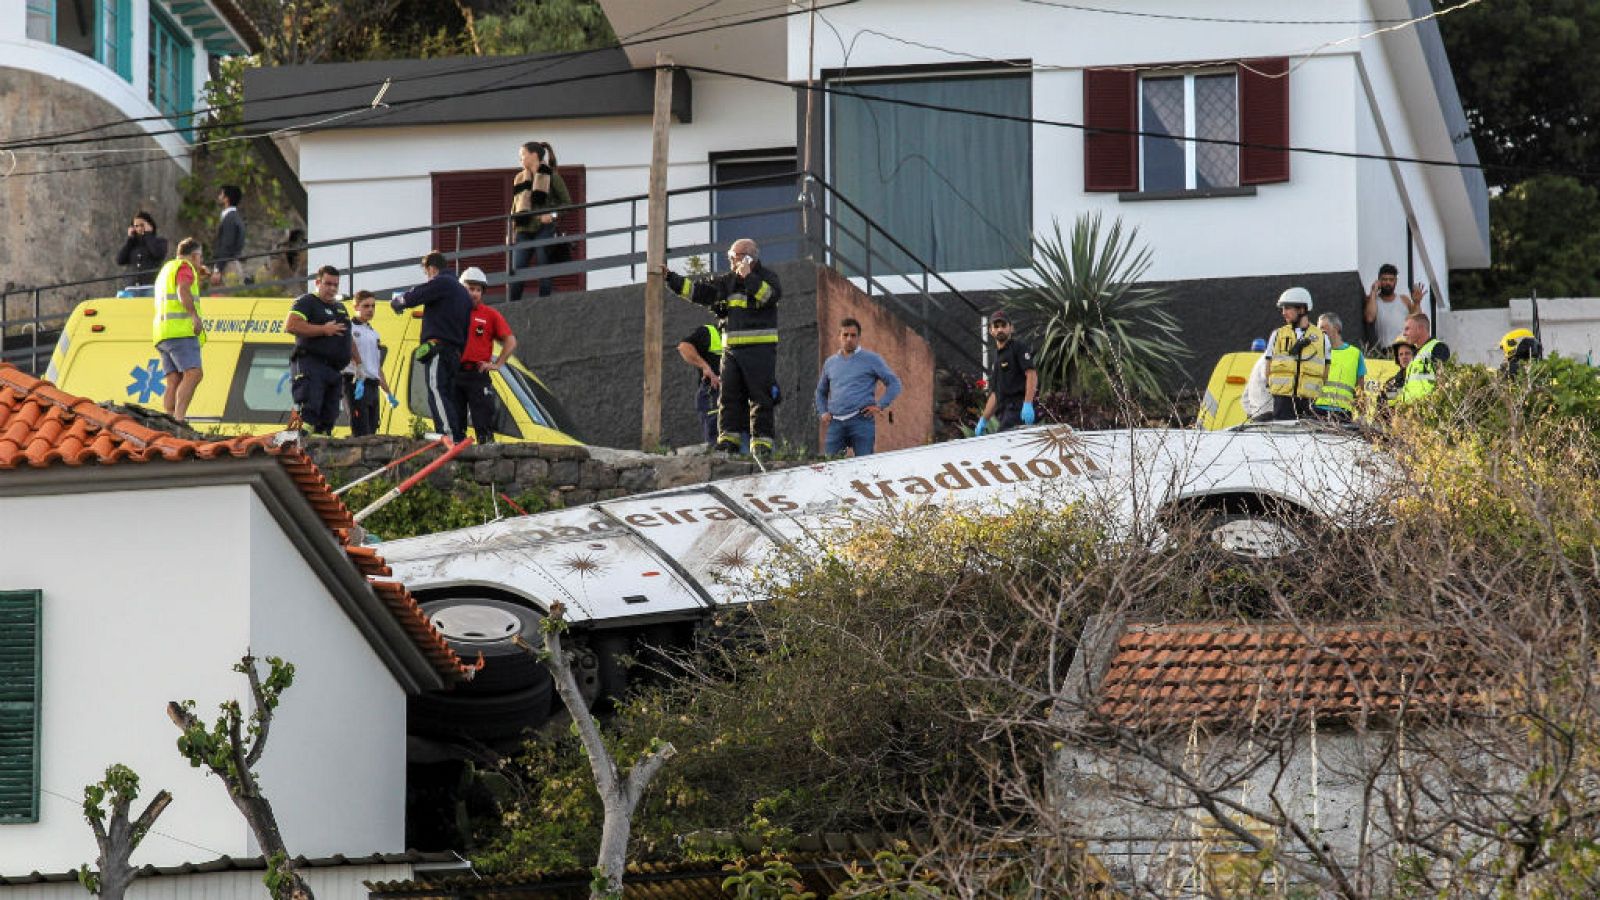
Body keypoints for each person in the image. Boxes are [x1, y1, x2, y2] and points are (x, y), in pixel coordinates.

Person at [663, 238, 782, 459]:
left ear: (748, 258)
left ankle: (762, 444)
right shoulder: (726, 282)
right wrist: (671, 278)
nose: (730, 260)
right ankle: (728, 440)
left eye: (734, 256)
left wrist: (748, 276)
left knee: (760, 397)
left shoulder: (767, 277)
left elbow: (769, 297)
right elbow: (699, 292)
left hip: (759, 350)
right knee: (728, 397)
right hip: (732, 352)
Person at [391, 251, 473, 442]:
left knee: (437, 389)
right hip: (455, 352)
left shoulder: (441, 282)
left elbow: (414, 296)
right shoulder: (462, 292)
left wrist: (397, 302)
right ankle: (457, 432)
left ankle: (448, 433)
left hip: (439, 348)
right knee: (448, 394)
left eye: (426, 272)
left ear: (431, 268)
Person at [815, 318, 902, 457]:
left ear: (859, 337)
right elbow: (821, 391)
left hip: (861, 421)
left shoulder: (872, 359)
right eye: (845, 335)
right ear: (839, 336)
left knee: (865, 466)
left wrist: (880, 406)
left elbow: (894, 383)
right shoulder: (830, 363)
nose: (849, 339)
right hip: (835, 423)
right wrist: (823, 412)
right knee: (831, 467)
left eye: (853, 335)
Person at [284, 265, 352, 435]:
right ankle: (301, 447)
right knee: (309, 412)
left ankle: (322, 454)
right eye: (328, 284)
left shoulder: (340, 308)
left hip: (334, 370)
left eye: (335, 285)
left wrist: (357, 362)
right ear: (317, 282)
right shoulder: (307, 301)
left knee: (329, 417)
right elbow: (291, 325)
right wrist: (323, 329)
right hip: (312, 364)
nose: (332, 289)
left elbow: (348, 337)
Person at [454, 267, 519, 444]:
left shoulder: (490, 315)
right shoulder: (452, 312)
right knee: (455, 429)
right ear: (462, 289)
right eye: (470, 288)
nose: (474, 293)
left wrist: (497, 364)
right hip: (454, 374)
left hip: (478, 374)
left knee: (483, 426)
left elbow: (511, 341)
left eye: (478, 289)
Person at [151, 238, 207, 422]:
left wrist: (198, 273)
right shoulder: (185, 267)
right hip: (180, 331)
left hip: (163, 333)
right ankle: (179, 419)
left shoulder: (167, 269)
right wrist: (194, 316)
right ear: (194, 255)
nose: (200, 262)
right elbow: (183, 290)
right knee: (194, 373)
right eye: (200, 258)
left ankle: (168, 419)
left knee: (174, 379)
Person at [508, 141, 571, 302]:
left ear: (534, 155)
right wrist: (511, 230)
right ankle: (512, 306)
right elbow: (514, 207)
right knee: (517, 269)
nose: (520, 159)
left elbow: (567, 203)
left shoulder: (552, 176)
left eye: (523, 155)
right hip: (523, 229)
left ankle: (545, 303)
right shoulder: (519, 178)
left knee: (544, 268)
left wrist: (553, 215)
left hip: (544, 228)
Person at [1265, 287, 1328, 421]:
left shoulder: (1322, 338)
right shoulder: (1277, 335)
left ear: (1301, 309)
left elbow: (1325, 372)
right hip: (1283, 402)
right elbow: (1268, 367)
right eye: (1282, 309)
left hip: (1309, 402)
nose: (1283, 313)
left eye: (1287, 308)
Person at [343, 290, 396, 437]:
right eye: (366, 306)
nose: (371, 310)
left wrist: (388, 393)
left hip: (372, 387)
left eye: (373, 306)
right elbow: (345, 352)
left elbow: (376, 367)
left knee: (372, 431)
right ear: (356, 307)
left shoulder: (374, 333)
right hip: (355, 383)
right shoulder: (349, 328)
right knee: (361, 431)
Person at [975, 309, 1037, 435]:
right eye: (996, 326)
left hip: (1018, 409)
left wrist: (1028, 403)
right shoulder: (997, 358)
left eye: (1003, 326)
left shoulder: (1018, 348)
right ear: (990, 331)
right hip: (1004, 412)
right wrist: (984, 420)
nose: (1000, 329)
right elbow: (995, 393)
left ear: (1011, 328)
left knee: (1002, 444)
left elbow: (1031, 374)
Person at [676, 318, 725, 445]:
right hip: (713, 393)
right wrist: (705, 367)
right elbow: (684, 347)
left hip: (736, 397)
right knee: (718, 442)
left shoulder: (742, 337)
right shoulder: (710, 332)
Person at [1313, 312, 1366, 422]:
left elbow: (1360, 389)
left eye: (1323, 327)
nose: (1320, 332)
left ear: (1336, 328)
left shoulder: (1355, 354)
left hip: (1343, 413)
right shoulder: (1315, 352)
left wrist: (1361, 415)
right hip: (1317, 410)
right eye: (1319, 329)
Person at [1393, 313, 1450, 406]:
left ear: (1420, 329)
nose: (1404, 333)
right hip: (1411, 412)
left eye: (1407, 329)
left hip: (1426, 411)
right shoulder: (1416, 355)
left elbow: (1442, 381)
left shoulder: (1437, 347)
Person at [1364, 263, 1425, 347]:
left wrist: (1417, 303)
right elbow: (1369, 318)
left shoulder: (1404, 300)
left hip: (1406, 347)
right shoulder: (1373, 300)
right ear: (1379, 281)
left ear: (1396, 281)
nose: (1388, 283)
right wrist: (1373, 291)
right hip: (1386, 351)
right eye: (1384, 279)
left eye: (1391, 279)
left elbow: (1417, 321)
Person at [115, 211, 168, 287]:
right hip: (132, 286)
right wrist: (130, 239)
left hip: (151, 286)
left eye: (142, 225)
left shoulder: (160, 242)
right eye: (136, 226)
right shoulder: (132, 245)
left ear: (150, 225)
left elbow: (157, 253)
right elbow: (120, 260)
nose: (139, 228)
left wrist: (148, 234)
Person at [212, 185, 245, 287]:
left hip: (228, 266)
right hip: (232, 263)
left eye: (221, 194)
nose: (219, 196)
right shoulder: (235, 217)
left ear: (227, 198)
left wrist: (218, 269)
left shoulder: (230, 218)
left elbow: (227, 245)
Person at [1379, 334, 1415, 410]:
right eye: (1401, 354)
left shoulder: (1421, 380)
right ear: (1397, 358)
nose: (1404, 357)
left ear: (1414, 355)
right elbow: (1381, 411)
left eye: (1407, 353)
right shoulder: (1391, 384)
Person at [1242, 337, 1273, 421]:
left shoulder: (1257, 364)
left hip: (1258, 415)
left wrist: (1253, 414)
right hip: (1268, 414)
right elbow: (1267, 378)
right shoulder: (1268, 360)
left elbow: (1244, 397)